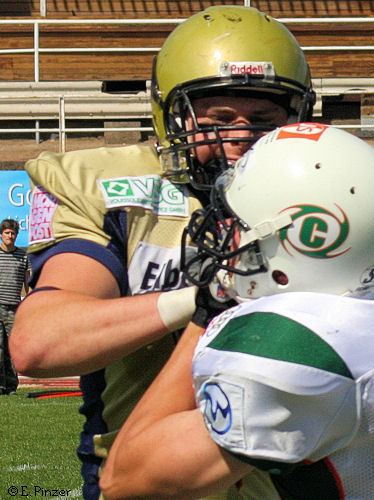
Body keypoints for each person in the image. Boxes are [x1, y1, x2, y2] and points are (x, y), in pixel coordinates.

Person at [9, 6, 315, 500]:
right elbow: (39, 343)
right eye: (218, 120)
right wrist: (203, 297)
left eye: (262, 121)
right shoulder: (109, 187)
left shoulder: (331, 192)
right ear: (173, 118)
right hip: (148, 479)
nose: (240, 139)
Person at [100, 123, 374, 499]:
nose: (226, 229)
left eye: (239, 223)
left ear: (305, 244)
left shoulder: (300, 353)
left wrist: (208, 309)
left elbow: (123, 478)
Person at [0, 219, 30, 396]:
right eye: (7, 233)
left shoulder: (23, 256)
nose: (10, 236)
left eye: (13, 233)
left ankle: (11, 386)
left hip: (14, 308)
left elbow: (28, 282)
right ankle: (0, 385)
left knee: (12, 348)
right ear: (1, 234)